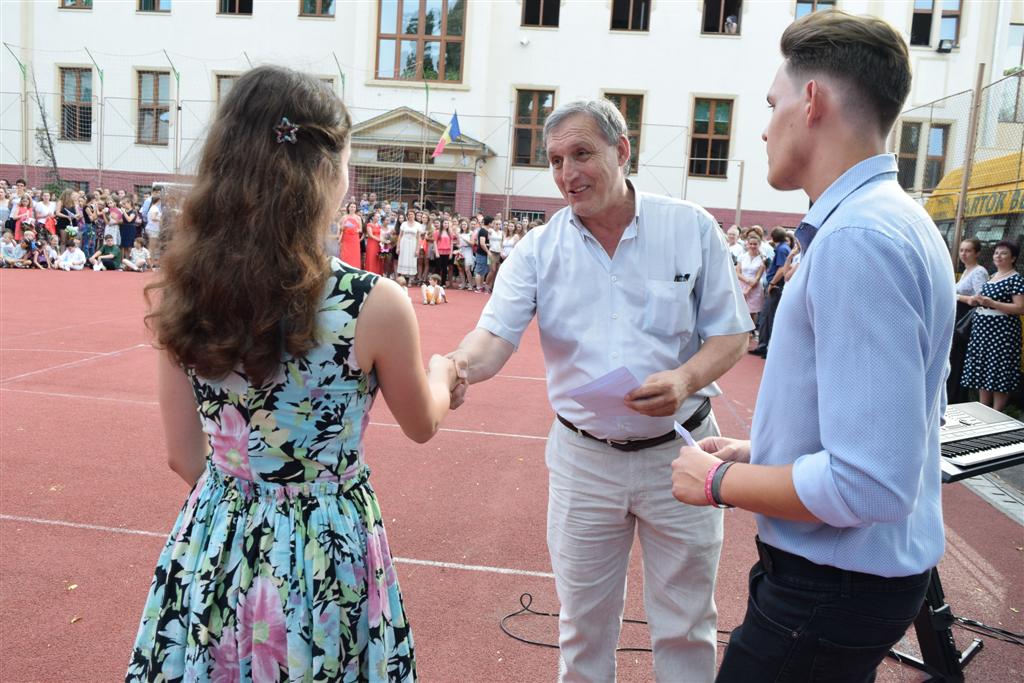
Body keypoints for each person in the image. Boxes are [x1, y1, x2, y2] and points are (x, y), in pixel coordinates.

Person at [126, 65, 459, 682]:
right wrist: (443, 372)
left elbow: (182, 455)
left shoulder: (186, 289)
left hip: (218, 537)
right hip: (326, 546)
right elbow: (422, 421)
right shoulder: (371, 302)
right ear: (326, 172)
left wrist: (248, 499)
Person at [670, 12, 955, 682]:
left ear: (812, 101)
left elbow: (871, 482)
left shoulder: (859, 238)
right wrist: (763, 451)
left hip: (832, 584)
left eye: (772, 105)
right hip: (849, 582)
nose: (765, 127)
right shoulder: (894, 219)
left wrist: (718, 482)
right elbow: (905, 419)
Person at [447, 99, 751, 682]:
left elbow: (733, 333)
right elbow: (493, 338)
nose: (568, 174)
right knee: (583, 626)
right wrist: (458, 367)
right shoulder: (538, 249)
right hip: (584, 460)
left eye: (582, 153)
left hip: (682, 452)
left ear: (623, 151)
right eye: (556, 160)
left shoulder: (690, 228)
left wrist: (685, 378)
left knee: (687, 624)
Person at [960, 240, 1023, 412]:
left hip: (1002, 331)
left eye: (1003, 253)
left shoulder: (1016, 279)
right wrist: (978, 300)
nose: (998, 256)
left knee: (999, 369)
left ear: (1013, 258)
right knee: (984, 368)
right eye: (996, 253)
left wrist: (993, 303)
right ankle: (983, 409)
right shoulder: (992, 276)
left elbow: (1020, 308)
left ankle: (996, 412)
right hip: (983, 330)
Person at [947, 237, 989, 403]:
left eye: (968, 250)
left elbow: (980, 298)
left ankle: (957, 397)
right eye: (962, 250)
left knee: (959, 357)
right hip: (959, 317)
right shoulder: (966, 270)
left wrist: (957, 296)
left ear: (977, 253)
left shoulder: (979, 271)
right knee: (954, 357)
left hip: (966, 321)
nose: (964, 254)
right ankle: (952, 395)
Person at [748, 226, 791, 358]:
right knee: (766, 317)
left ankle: (766, 347)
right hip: (776, 286)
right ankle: (763, 345)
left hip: (775, 287)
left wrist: (772, 283)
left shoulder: (782, 249)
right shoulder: (783, 248)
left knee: (768, 317)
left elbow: (781, 269)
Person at [736, 233, 766, 330]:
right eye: (751, 244)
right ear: (747, 244)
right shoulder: (742, 257)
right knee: (740, 310)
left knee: (752, 312)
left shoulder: (762, 259)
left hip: (754, 287)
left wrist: (748, 289)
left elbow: (758, 277)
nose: (753, 246)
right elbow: (737, 273)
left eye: (755, 244)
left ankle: (750, 331)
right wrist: (747, 281)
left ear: (759, 245)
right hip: (742, 284)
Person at [339, 201, 362, 267]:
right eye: (351, 207)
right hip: (346, 237)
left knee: (354, 254)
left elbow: (360, 229)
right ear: (348, 208)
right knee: (345, 254)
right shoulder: (344, 217)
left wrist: (356, 230)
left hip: (354, 238)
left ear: (356, 208)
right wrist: (345, 226)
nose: (352, 208)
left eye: (354, 207)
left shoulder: (358, 218)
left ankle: (355, 267)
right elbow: (340, 228)